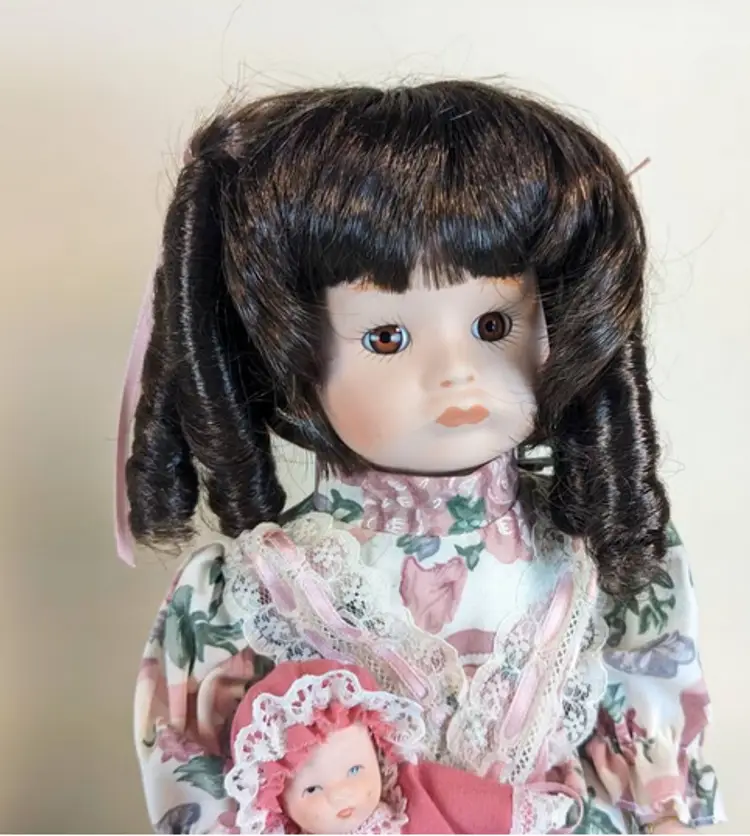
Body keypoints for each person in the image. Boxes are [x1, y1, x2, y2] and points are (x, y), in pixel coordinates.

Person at [121, 80, 724, 833]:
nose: (455, 372)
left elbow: (657, 776)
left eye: (494, 324)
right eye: (387, 337)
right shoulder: (252, 590)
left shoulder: (607, 558)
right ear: (292, 351)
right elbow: (202, 788)